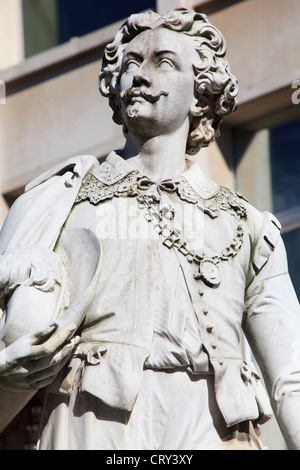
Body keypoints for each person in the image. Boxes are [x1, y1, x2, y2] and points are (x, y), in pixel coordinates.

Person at [0, 8, 300, 450]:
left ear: (201, 95)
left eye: (163, 63)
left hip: (214, 434)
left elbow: (290, 378)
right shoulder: (58, 202)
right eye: (129, 64)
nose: (138, 76)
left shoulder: (248, 226)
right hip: (94, 430)